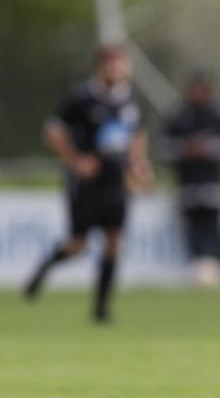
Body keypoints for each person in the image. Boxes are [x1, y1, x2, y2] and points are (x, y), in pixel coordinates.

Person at [23, 44, 152, 322]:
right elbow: (53, 131)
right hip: (87, 184)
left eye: (122, 64)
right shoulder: (81, 98)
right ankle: (43, 269)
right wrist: (76, 160)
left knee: (114, 241)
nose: (118, 69)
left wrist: (138, 164)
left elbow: (137, 136)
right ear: (101, 66)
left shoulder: (130, 99)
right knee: (78, 244)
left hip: (116, 183)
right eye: (112, 64)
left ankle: (101, 309)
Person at [160, 71, 220, 287]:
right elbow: (163, 145)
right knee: (191, 230)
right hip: (187, 185)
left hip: (213, 185)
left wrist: (208, 147)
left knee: (215, 229)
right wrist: (183, 149)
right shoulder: (178, 115)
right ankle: (196, 273)